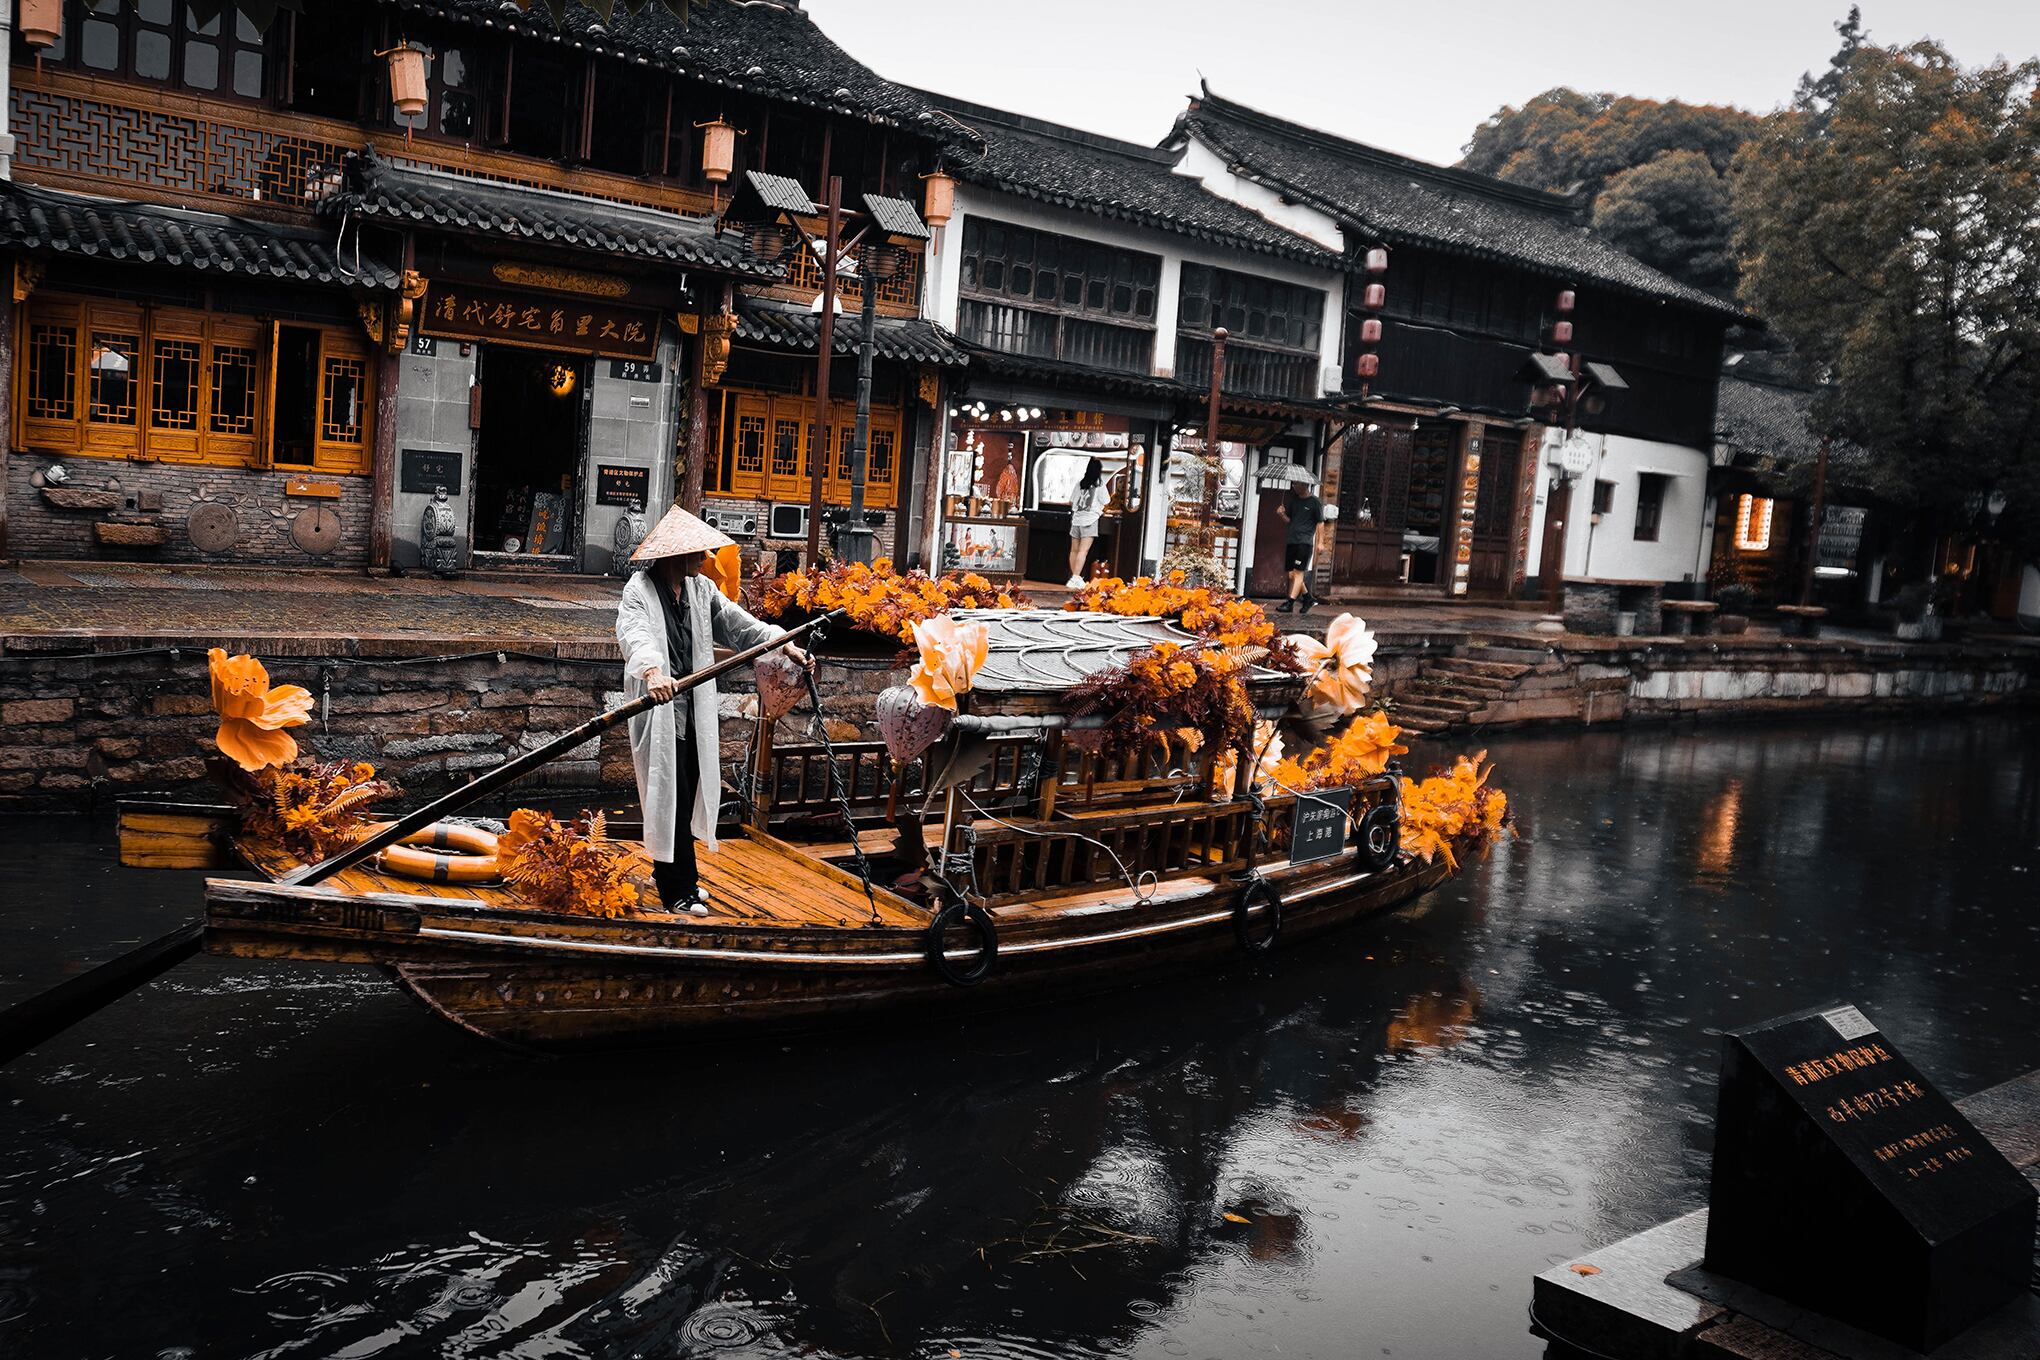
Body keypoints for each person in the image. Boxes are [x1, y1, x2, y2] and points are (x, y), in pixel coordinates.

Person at [616, 505, 810, 913]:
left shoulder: (700, 592)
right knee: (670, 790)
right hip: (661, 706)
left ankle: (670, 872)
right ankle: (678, 892)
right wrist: (654, 673)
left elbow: (740, 626)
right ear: (678, 555)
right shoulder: (640, 590)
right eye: (699, 553)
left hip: (692, 707)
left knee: (686, 789)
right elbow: (635, 635)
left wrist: (783, 642)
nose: (706, 560)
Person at [1276, 484, 1325, 614]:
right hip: (1292, 541)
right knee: (1291, 574)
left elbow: (1320, 523)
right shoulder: (1294, 501)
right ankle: (1308, 598)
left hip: (1304, 543)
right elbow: (1289, 520)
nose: (1294, 486)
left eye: (1296, 484)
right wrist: (1281, 515)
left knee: (1298, 573)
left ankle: (1290, 603)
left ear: (1305, 485)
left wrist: (1320, 542)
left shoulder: (1315, 502)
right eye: (1293, 484)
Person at [1066, 456, 1108, 589]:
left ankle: (1074, 578)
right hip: (1090, 520)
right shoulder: (1099, 484)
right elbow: (1106, 501)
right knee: (1083, 551)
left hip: (1077, 519)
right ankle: (1076, 578)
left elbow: (1071, 501)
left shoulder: (1080, 483)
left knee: (1074, 550)